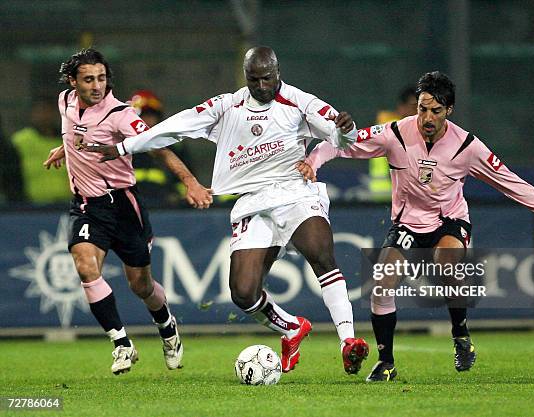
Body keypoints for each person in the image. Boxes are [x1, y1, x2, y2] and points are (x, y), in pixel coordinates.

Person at [86, 46, 370, 375]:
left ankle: (347, 341)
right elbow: (174, 126)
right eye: (254, 79)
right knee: (243, 294)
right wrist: (123, 146)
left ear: (278, 73)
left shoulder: (300, 102)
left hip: (293, 191)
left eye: (268, 78)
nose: (262, 85)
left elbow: (342, 138)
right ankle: (290, 328)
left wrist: (346, 130)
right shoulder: (227, 105)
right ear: (245, 76)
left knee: (321, 254)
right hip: (251, 201)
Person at [298, 71, 534, 381]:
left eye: (435, 110)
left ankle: (460, 335)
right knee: (381, 283)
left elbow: (508, 181)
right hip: (407, 223)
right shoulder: (395, 133)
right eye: (422, 108)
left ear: (448, 110)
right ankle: (386, 362)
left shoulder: (467, 145)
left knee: (447, 265)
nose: (426, 116)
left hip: (449, 220)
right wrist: (313, 161)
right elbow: (342, 143)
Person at [43, 48, 212, 375]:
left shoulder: (120, 115)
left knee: (140, 285)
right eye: (89, 79)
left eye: (102, 78)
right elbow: (77, 134)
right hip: (86, 205)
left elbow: (159, 148)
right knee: (85, 267)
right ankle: (121, 344)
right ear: (72, 81)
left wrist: (191, 182)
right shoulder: (65, 101)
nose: (96, 85)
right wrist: (62, 148)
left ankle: (167, 327)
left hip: (123, 206)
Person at [129, 89, 186, 207]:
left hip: (166, 208)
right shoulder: (122, 146)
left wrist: (176, 197)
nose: (147, 121)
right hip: (130, 208)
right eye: (143, 116)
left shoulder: (173, 145)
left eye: (151, 116)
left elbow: (184, 182)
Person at [11, 99, 72, 204]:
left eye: (48, 111)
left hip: (67, 204)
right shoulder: (20, 140)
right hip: (31, 206)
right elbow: (12, 174)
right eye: (40, 111)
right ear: (32, 114)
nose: (45, 116)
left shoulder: (67, 141)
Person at [370, 86, 418, 202]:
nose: (417, 111)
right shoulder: (390, 127)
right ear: (401, 107)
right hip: (385, 193)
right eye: (413, 106)